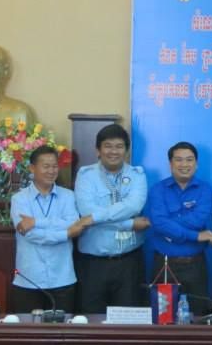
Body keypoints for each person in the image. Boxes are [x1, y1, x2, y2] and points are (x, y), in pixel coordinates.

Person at [74, 124, 150, 313]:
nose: (113, 151)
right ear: (98, 150)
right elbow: (86, 211)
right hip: (92, 263)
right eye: (108, 146)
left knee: (128, 320)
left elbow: (134, 206)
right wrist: (130, 223)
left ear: (126, 150)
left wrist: (95, 218)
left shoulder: (137, 175)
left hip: (129, 262)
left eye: (119, 146)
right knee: (91, 319)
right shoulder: (86, 176)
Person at [147, 142, 212, 316]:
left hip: (195, 264)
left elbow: (198, 219)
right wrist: (195, 236)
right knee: (163, 317)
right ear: (170, 163)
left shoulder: (205, 189)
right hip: (164, 264)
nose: (184, 164)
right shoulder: (158, 189)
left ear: (196, 164)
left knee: (198, 316)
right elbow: (159, 222)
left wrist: (169, 226)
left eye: (189, 160)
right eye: (179, 160)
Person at [10, 146, 84, 314]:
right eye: (46, 166)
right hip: (29, 279)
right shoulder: (19, 199)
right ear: (32, 168)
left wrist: (36, 221)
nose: (51, 171)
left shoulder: (68, 196)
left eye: (55, 166)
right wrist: (66, 233)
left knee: (63, 328)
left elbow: (73, 223)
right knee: (28, 328)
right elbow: (31, 235)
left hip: (62, 277)